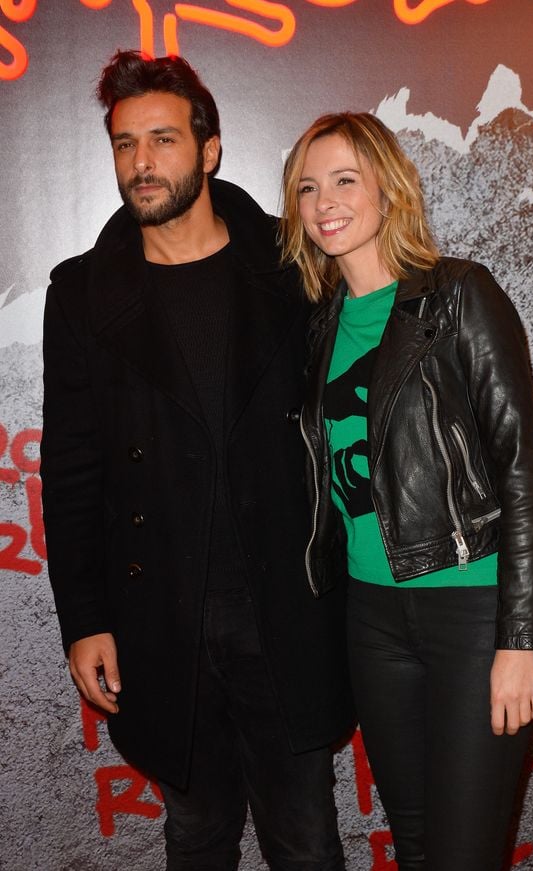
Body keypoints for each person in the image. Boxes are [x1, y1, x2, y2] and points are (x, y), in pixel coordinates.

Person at [40, 52, 354, 871]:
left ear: (208, 150)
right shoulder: (79, 294)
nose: (141, 163)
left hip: (284, 610)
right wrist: (85, 619)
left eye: (163, 139)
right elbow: (70, 469)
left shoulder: (295, 268)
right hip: (160, 622)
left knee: (308, 842)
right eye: (123, 143)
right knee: (197, 840)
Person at [280, 112, 533, 871]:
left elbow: (526, 475)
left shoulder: (460, 294)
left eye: (344, 179)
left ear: (387, 189)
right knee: (416, 846)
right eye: (307, 186)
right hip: (370, 617)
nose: (323, 201)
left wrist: (519, 638)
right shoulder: (319, 326)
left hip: (470, 612)